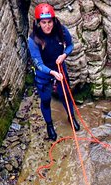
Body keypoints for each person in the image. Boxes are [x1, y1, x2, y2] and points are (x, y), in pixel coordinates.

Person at [28, 3, 80, 141]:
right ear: (38, 23)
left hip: (60, 70)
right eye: (43, 23)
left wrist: (64, 55)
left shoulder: (61, 30)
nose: (47, 26)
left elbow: (70, 45)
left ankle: (71, 117)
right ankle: (49, 126)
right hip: (44, 74)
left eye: (49, 22)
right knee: (45, 100)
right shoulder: (33, 40)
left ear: (53, 20)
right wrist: (51, 73)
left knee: (66, 96)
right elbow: (38, 63)